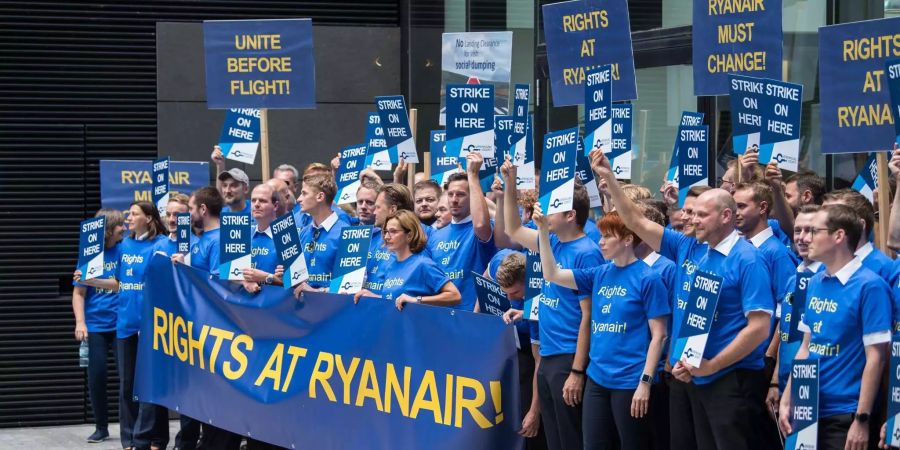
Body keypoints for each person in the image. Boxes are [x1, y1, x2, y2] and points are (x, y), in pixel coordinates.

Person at [592, 150, 775, 450]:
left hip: (730, 380)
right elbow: (635, 221)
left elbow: (759, 328)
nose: (692, 219)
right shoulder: (690, 247)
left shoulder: (747, 260)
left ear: (726, 216)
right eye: (692, 213)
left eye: (702, 215)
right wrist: (609, 178)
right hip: (688, 375)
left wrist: (713, 365)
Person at [538, 210, 669, 450]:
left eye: (608, 236)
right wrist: (543, 234)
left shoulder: (648, 279)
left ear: (627, 239)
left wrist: (645, 382)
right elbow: (552, 274)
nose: (600, 242)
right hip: (597, 378)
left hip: (630, 381)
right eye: (600, 235)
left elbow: (659, 336)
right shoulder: (599, 273)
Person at [501, 158, 604, 450]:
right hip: (548, 353)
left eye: (552, 206)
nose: (543, 210)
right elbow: (512, 229)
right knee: (556, 440)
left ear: (570, 214)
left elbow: (588, 316)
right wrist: (510, 184)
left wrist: (577, 370)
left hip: (569, 355)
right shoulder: (554, 241)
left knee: (571, 438)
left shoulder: (587, 252)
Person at [779, 204, 891, 450]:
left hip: (845, 412)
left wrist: (862, 419)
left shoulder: (870, 286)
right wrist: (788, 399)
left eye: (814, 231)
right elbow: (805, 348)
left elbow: (877, 358)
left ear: (839, 236)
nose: (805, 239)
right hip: (807, 407)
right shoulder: (814, 282)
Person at [115, 201, 169, 450]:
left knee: (148, 384)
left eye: (134, 214)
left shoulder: (161, 245)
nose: (128, 217)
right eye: (128, 213)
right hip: (125, 324)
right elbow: (119, 283)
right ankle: (127, 440)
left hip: (150, 326)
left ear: (148, 218)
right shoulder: (123, 246)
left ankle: (144, 439)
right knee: (127, 385)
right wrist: (91, 280)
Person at [765, 205, 825, 419]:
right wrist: (774, 381)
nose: (801, 237)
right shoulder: (794, 278)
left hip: (816, 391)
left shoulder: (829, 281)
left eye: (810, 231)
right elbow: (786, 332)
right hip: (785, 384)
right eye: (797, 230)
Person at [71, 208, 125, 443]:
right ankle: (101, 427)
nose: (124, 228)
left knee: (128, 378)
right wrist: (80, 322)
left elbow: (120, 284)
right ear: (109, 230)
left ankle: (130, 429)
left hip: (122, 323)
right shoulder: (91, 255)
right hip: (96, 326)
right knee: (97, 376)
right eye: (120, 225)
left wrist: (92, 280)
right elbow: (79, 293)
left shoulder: (125, 250)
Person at [492, 251, 547, 450]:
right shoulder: (500, 260)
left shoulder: (536, 295)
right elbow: (486, 274)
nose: (509, 297)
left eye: (514, 293)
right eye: (504, 292)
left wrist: (534, 412)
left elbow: (539, 362)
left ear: (529, 282)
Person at [429, 152, 496, 312]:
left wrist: (473, 175)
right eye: (451, 194)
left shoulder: (481, 229)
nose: (454, 199)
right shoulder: (435, 234)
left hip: (472, 316)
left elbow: (480, 224)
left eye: (460, 194)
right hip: (440, 317)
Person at [354, 210, 459, 308]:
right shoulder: (390, 266)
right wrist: (374, 296)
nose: (386, 237)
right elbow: (396, 300)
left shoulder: (422, 264)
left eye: (393, 231)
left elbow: (454, 295)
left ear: (409, 235)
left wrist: (417, 300)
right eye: (385, 231)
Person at [295, 173, 350, 293]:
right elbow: (298, 278)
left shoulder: (347, 234)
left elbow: (349, 285)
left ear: (320, 197)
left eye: (304, 193)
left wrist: (318, 292)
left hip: (333, 308)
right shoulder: (304, 232)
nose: (299, 199)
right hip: (303, 306)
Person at [823, 189, 894, 282]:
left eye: (832, 218)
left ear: (860, 225)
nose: (820, 225)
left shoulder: (886, 269)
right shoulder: (824, 266)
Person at [364, 183, 414, 295]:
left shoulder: (414, 240)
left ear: (392, 210)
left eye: (378, 207)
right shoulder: (370, 237)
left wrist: (376, 297)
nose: (374, 212)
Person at [242, 184, 283, 294]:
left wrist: (266, 277)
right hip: (243, 306)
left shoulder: (287, 236)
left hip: (276, 306)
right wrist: (244, 282)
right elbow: (228, 273)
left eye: (263, 201)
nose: (256, 205)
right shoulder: (242, 234)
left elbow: (296, 282)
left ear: (275, 206)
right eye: (253, 200)